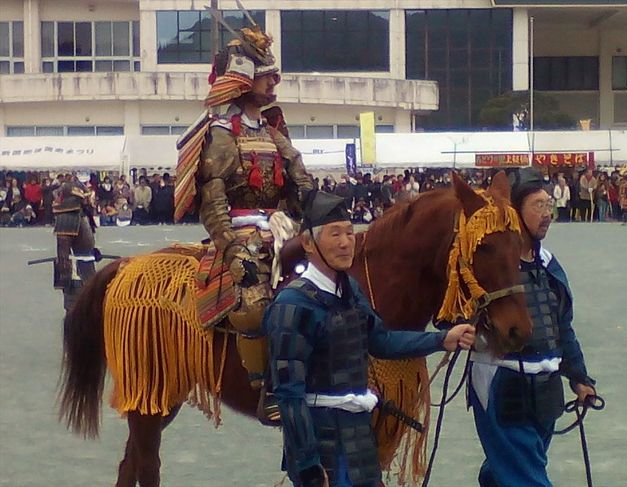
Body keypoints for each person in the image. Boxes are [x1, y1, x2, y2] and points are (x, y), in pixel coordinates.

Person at [264, 191, 476, 487]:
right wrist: (308, 464)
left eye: (350, 232)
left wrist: (442, 340)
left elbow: (381, 341)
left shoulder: (350, 290)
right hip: (324, 447)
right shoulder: (292, 304)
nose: (345, 242)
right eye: (334, 233)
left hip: (360, 441)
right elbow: (289, 395)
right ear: (309, 243)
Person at [174, 17, 314, 395]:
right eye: (265, 74)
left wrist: (323, 210)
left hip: (284, 228)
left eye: (273, 74)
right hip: (243, 233)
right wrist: (231, 245)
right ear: (241, 79)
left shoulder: (273, 131)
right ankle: (267, 388)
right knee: (253, 303)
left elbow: (302, 183)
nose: (273, 81)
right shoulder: (220, 134)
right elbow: (213, 198)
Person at [468, 167, 597, 487]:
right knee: (526, 476)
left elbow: (562, 326)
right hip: (503, 382)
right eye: (538, 205)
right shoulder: (487, 264)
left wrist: (579, 377)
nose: (547, 213)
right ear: (513, 211)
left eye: (549, 205)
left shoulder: (549, 264)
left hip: (546, 388)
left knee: (512, 468)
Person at [52, 174, 96, 289]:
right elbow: (63, 254)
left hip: (86, 272)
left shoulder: (83, 216)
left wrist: (93, 253)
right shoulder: (68, 217)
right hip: (76, 280)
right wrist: (64, 274)